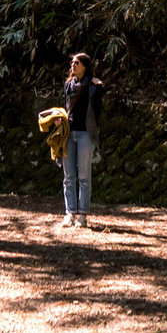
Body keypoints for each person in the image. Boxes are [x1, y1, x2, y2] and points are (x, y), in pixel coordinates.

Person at [61, 51, 102, 228]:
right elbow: (66, 107)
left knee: (84, 176)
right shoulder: (69, 85)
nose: (73, 66)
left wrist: (100, 87)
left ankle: (82, 216)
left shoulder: (93, 86)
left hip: (85, 133)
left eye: (77, 63)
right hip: (68, 133)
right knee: (68, 176)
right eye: (72, 63)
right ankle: (69, 213)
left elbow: (98, 110)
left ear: (85, 66)